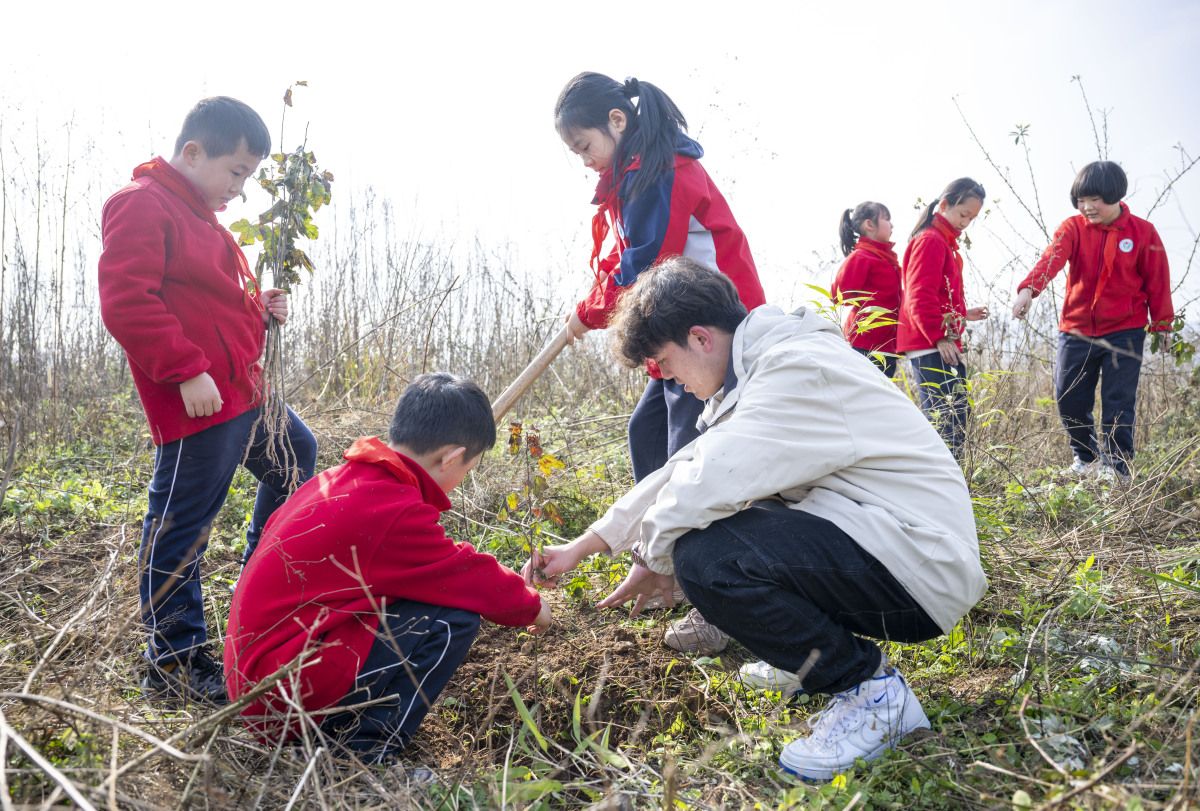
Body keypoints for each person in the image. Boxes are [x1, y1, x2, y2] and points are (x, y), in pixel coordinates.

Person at [524, 258, 986, 781]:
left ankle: (872, 696)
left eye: (664, 363)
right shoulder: (762, 369)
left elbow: (710, 479)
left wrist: (656, 556)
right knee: (734, 521)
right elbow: (687, 466)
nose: (667, 377)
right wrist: (588, 543)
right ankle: (803, 658)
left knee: (706, 558)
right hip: (886, 546)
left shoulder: (796, 368)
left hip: (919, 568)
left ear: (700, 338)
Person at [98, 96, 318, 704]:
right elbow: (127, 301)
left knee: (298, 456)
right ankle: (173, 661)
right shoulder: (142, 206)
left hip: (247, 394)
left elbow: (210, 305)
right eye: (237, 172)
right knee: (181, 528)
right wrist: (186, 371)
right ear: (193, 153)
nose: (239, 190)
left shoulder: (202, 218)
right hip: (202, 403)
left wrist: (260, 309)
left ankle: (260, 582)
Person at [225, 373, 551, 763]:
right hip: (278, 702)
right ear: (450, 457)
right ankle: (362, 753)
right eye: (469, 467)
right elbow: (467, 575)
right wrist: (534, 605)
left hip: (256, 682)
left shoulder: (343, 481)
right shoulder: (393, 510)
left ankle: (346, 734)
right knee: (453, 620)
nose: (463, 480)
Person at [555, 71, 766, 483]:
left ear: (617, 120)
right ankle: (649, 537)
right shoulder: (634, 174)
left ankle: (686, 540)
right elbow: (625, 256)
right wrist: (588, 305)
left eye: (584, 146)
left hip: (715, 327)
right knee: (646, 432)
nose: (584, 160)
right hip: (680, 321)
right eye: (575, 152)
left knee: (686, 447)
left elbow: (647, 266)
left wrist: (590, 313)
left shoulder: (660, 172)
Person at [1010, 161, 1173, 481]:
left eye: (1094, 199)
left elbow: (1158, 281)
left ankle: (1117, 467)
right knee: (1068, 396)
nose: (1087, 207)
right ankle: (1085, 458)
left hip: (1125, 330)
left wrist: (1162, 324)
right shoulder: (1072, 227)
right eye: (1081, 200)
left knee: (1118, 402)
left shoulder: (1142, 231)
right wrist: (1029, 289)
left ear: (1114, 195)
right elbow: (1051, 259)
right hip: (1076, 329)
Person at [896, 178, 991, 457]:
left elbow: (937, 295)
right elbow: (918, 296)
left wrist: (963, 314)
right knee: (947, 420)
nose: (966, 223)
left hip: (934, 341)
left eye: (972, 218)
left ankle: (947, 484)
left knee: (953, 417)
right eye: (963, 214)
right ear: (946, 204)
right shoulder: (931, 241)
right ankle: (939, 485)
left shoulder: (941, 241)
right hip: (931, 343)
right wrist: (939, 337)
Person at [831, 201, 902, 378]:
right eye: (886, 219)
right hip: (864, 345)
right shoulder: (861, 257)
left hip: (887, 347)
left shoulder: (886, 259)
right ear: (869, 225)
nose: (892, 225)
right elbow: (839, 296)